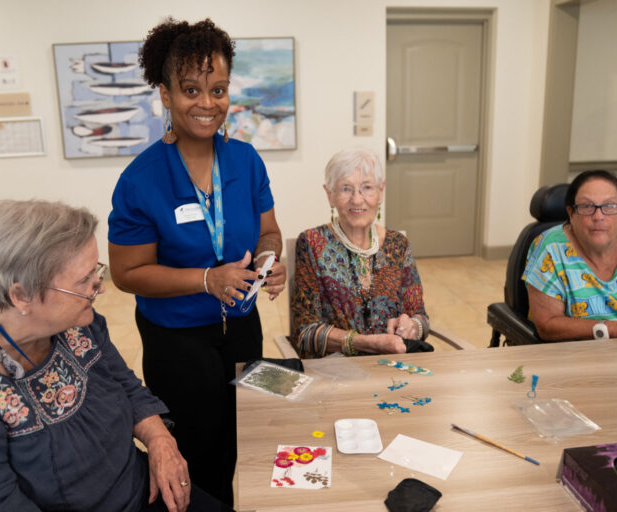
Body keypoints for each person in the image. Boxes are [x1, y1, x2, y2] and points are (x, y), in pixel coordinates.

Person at [0, 200, 230, 512]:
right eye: (84, 280)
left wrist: (159, 440)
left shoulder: (71, 319)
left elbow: (122, 383)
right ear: (21, 294)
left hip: (139, 488)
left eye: (96, 272)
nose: (99, 287)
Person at [107, 17, 285, 507]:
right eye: (191, 89)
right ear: (165, 94)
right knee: (200, 456)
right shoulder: (140, 180)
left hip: (243, 329)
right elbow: (126, 273)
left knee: (246, 444)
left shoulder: (247, 161)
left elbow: (269, 231)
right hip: (177, 342)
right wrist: (207, 280)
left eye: (218, 89)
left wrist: (271, 259)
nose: (207, 104)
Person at [291, 148, 430, 358]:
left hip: (393, 368)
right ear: (330, 195)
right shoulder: (312, 244)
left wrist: (412, 326)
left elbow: (421, 317)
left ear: (381, 191)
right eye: (346, 189)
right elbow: (305, 332)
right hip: (335, 374)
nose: (357, 200)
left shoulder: (398, 244)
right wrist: (368, 343)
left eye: (367, 187)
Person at [524, 169, 617, 350]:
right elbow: (547, 326)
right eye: (586, 207)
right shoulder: (551, 249)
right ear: (571, 213)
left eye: (610, 206)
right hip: (585, 357)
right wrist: (616, 329)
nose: (598, 216)